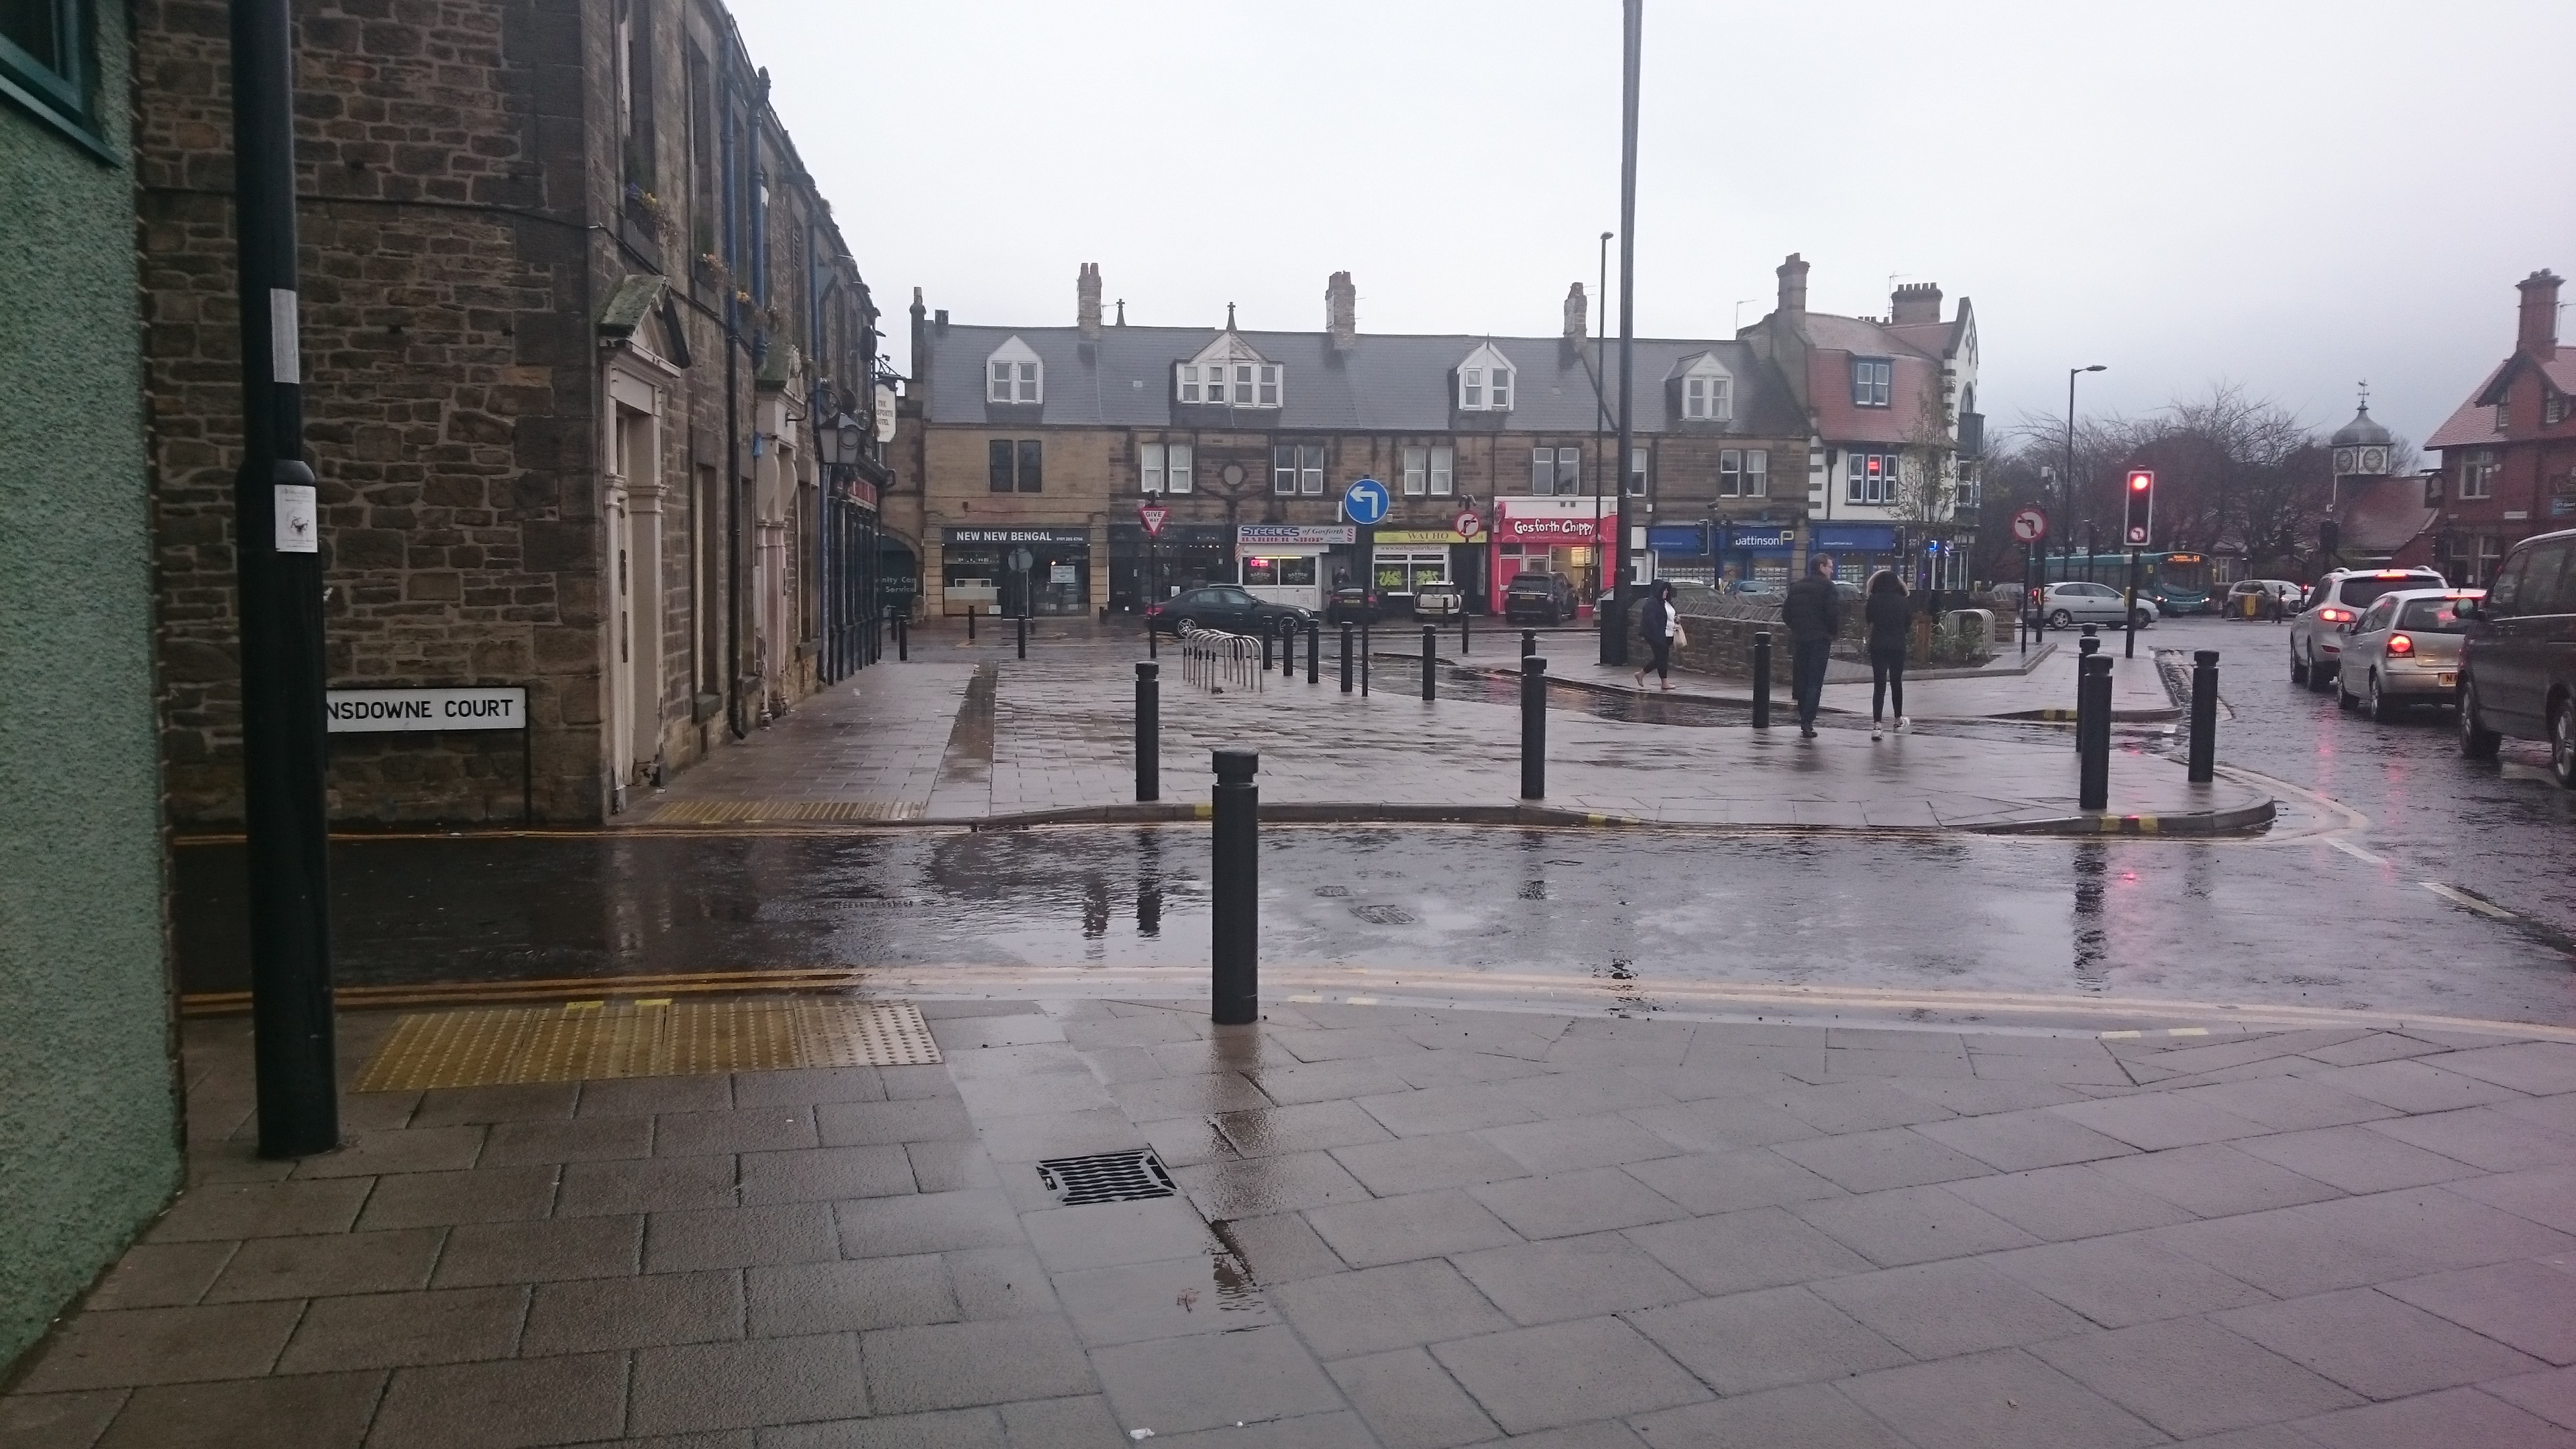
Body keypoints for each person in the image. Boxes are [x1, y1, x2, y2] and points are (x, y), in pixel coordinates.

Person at [1780, 556, 1841, 739]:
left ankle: (1803, 715)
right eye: (1830, 567)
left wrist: (1797, 627)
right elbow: (1833, 615)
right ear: (1822, 567)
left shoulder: (1797, 586)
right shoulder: (1828, 588)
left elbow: (1786, 614)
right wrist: (1832, 632)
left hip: (1800, 639)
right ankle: (1807, 721)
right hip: (1819, 640)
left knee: (1802, 679)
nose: (1832, 571)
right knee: (1815, 681)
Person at [1865, 570, 1912, 739]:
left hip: (1878, 644)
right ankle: (1898, 719)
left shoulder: (1873, 600)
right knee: (1896, 682)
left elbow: (1868, 619)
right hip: (1897, 645)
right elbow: (1908, 624)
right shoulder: (1903, 602)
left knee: (1879, 684)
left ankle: (1877, 725)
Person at [1634, 580, 1680, 692]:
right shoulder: (1652, 603)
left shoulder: (1668, 603)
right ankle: (1663, 682)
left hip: (1669, 634)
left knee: (1661, 659)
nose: (1666, 592)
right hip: (1657, 636)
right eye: (1664, 590)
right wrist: (1657, 634)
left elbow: (1669, 616)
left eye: (1667, 590)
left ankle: (1642, 674)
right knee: (1661, 658)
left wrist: (1676, 619)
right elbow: (1650, 621)